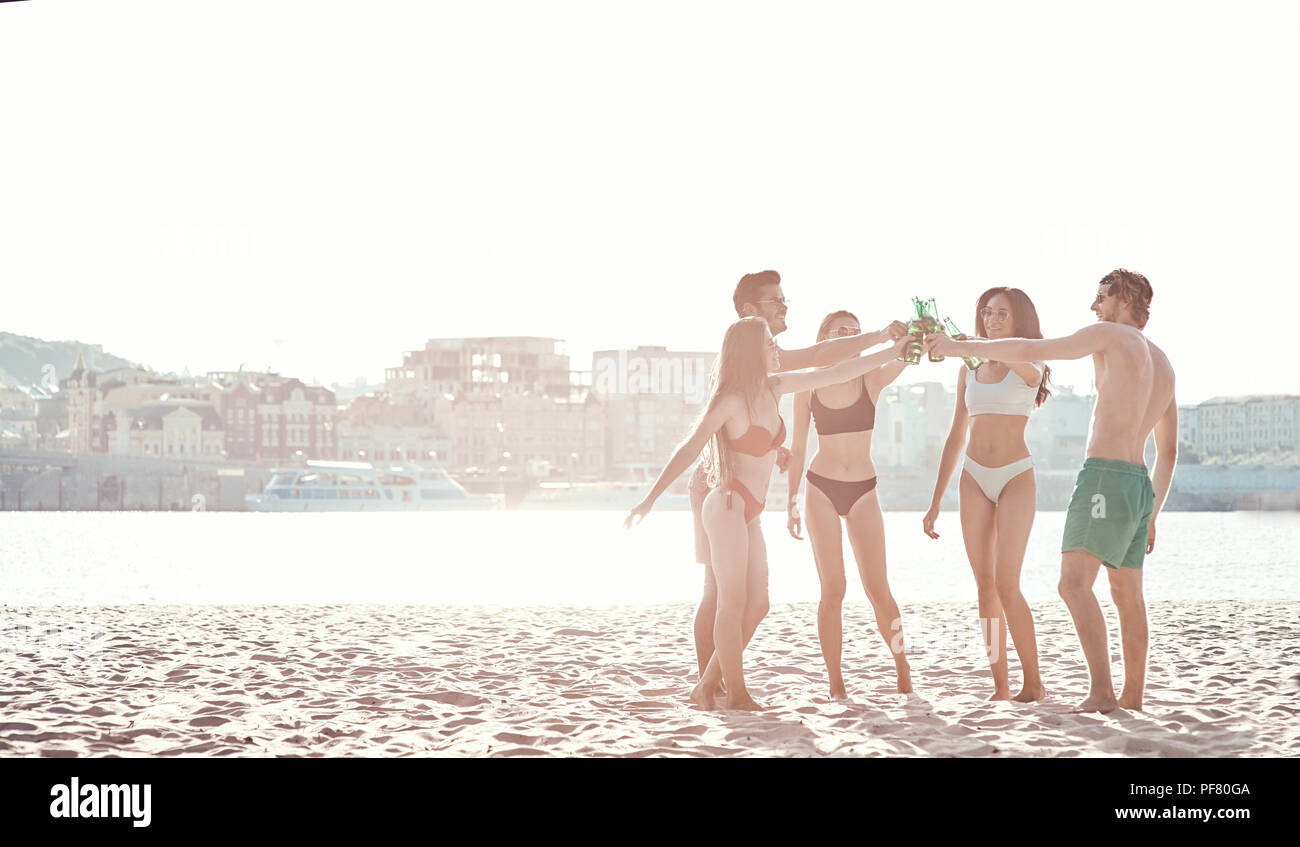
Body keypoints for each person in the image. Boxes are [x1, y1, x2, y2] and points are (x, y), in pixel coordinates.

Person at [628, 317, 914, 709]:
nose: (777, 347)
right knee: (733, 601)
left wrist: (895, 346)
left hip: (758, 508)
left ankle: (706, 685)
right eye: (768, 342)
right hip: (728, 503)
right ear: (750, 351)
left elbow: (840, 368)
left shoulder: (776, 386)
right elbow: (691, 448)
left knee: (759, 604)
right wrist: (650, 499)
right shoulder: (729, 400)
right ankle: (740, 693)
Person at [926, 269, 1176, 713]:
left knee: (1073, 585)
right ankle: (1132, 696)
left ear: (1124, 299)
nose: (1094, 307)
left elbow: (1034, 350)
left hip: (1105, 475)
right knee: (1127, 594)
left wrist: (958, 347)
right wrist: (1152, 511)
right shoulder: (1164, 363)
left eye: (1101, 297)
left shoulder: (1109, 335)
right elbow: (1169, 451)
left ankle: (1101, 691)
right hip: (1139, 485)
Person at [686, 270, 906, 682]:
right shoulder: (748, 354)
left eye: (786, 298)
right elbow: (825, 358)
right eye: (776, 301)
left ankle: (715, 681)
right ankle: (710, 682)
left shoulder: (771, 357)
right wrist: (880, 335)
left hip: (753, 488)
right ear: (750, 311)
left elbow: (819, 370)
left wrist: (775, 449)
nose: (786, 306)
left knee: (751, 599)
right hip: (719, 483)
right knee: (718, 591)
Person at [922, 287, 1051, 702]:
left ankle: (1034, 683)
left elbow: (1028, 371)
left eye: (1001, 314)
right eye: (987, 313)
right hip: (973, 478)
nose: (992, 320)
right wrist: (935, 500)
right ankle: (1000, 685)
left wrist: (967, 346)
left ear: (1018, 321)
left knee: (1006, 582)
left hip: (1016, 477)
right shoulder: (970, 367)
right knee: (983, 586)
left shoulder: (1031, 360)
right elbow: (957, 433)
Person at [786, 311, 913, 698]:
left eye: (855, 332)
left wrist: (915, 334)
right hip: (821, 487)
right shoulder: (807, 386)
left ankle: (903, 669)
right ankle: (836, 683)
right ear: (824, 336)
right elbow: (798, 445)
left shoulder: (869, 376)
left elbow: (909, 354)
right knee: (834, 588)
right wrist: (791, 499)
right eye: (842, 331)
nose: (850, 337)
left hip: (863, 489)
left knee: (878, 589)